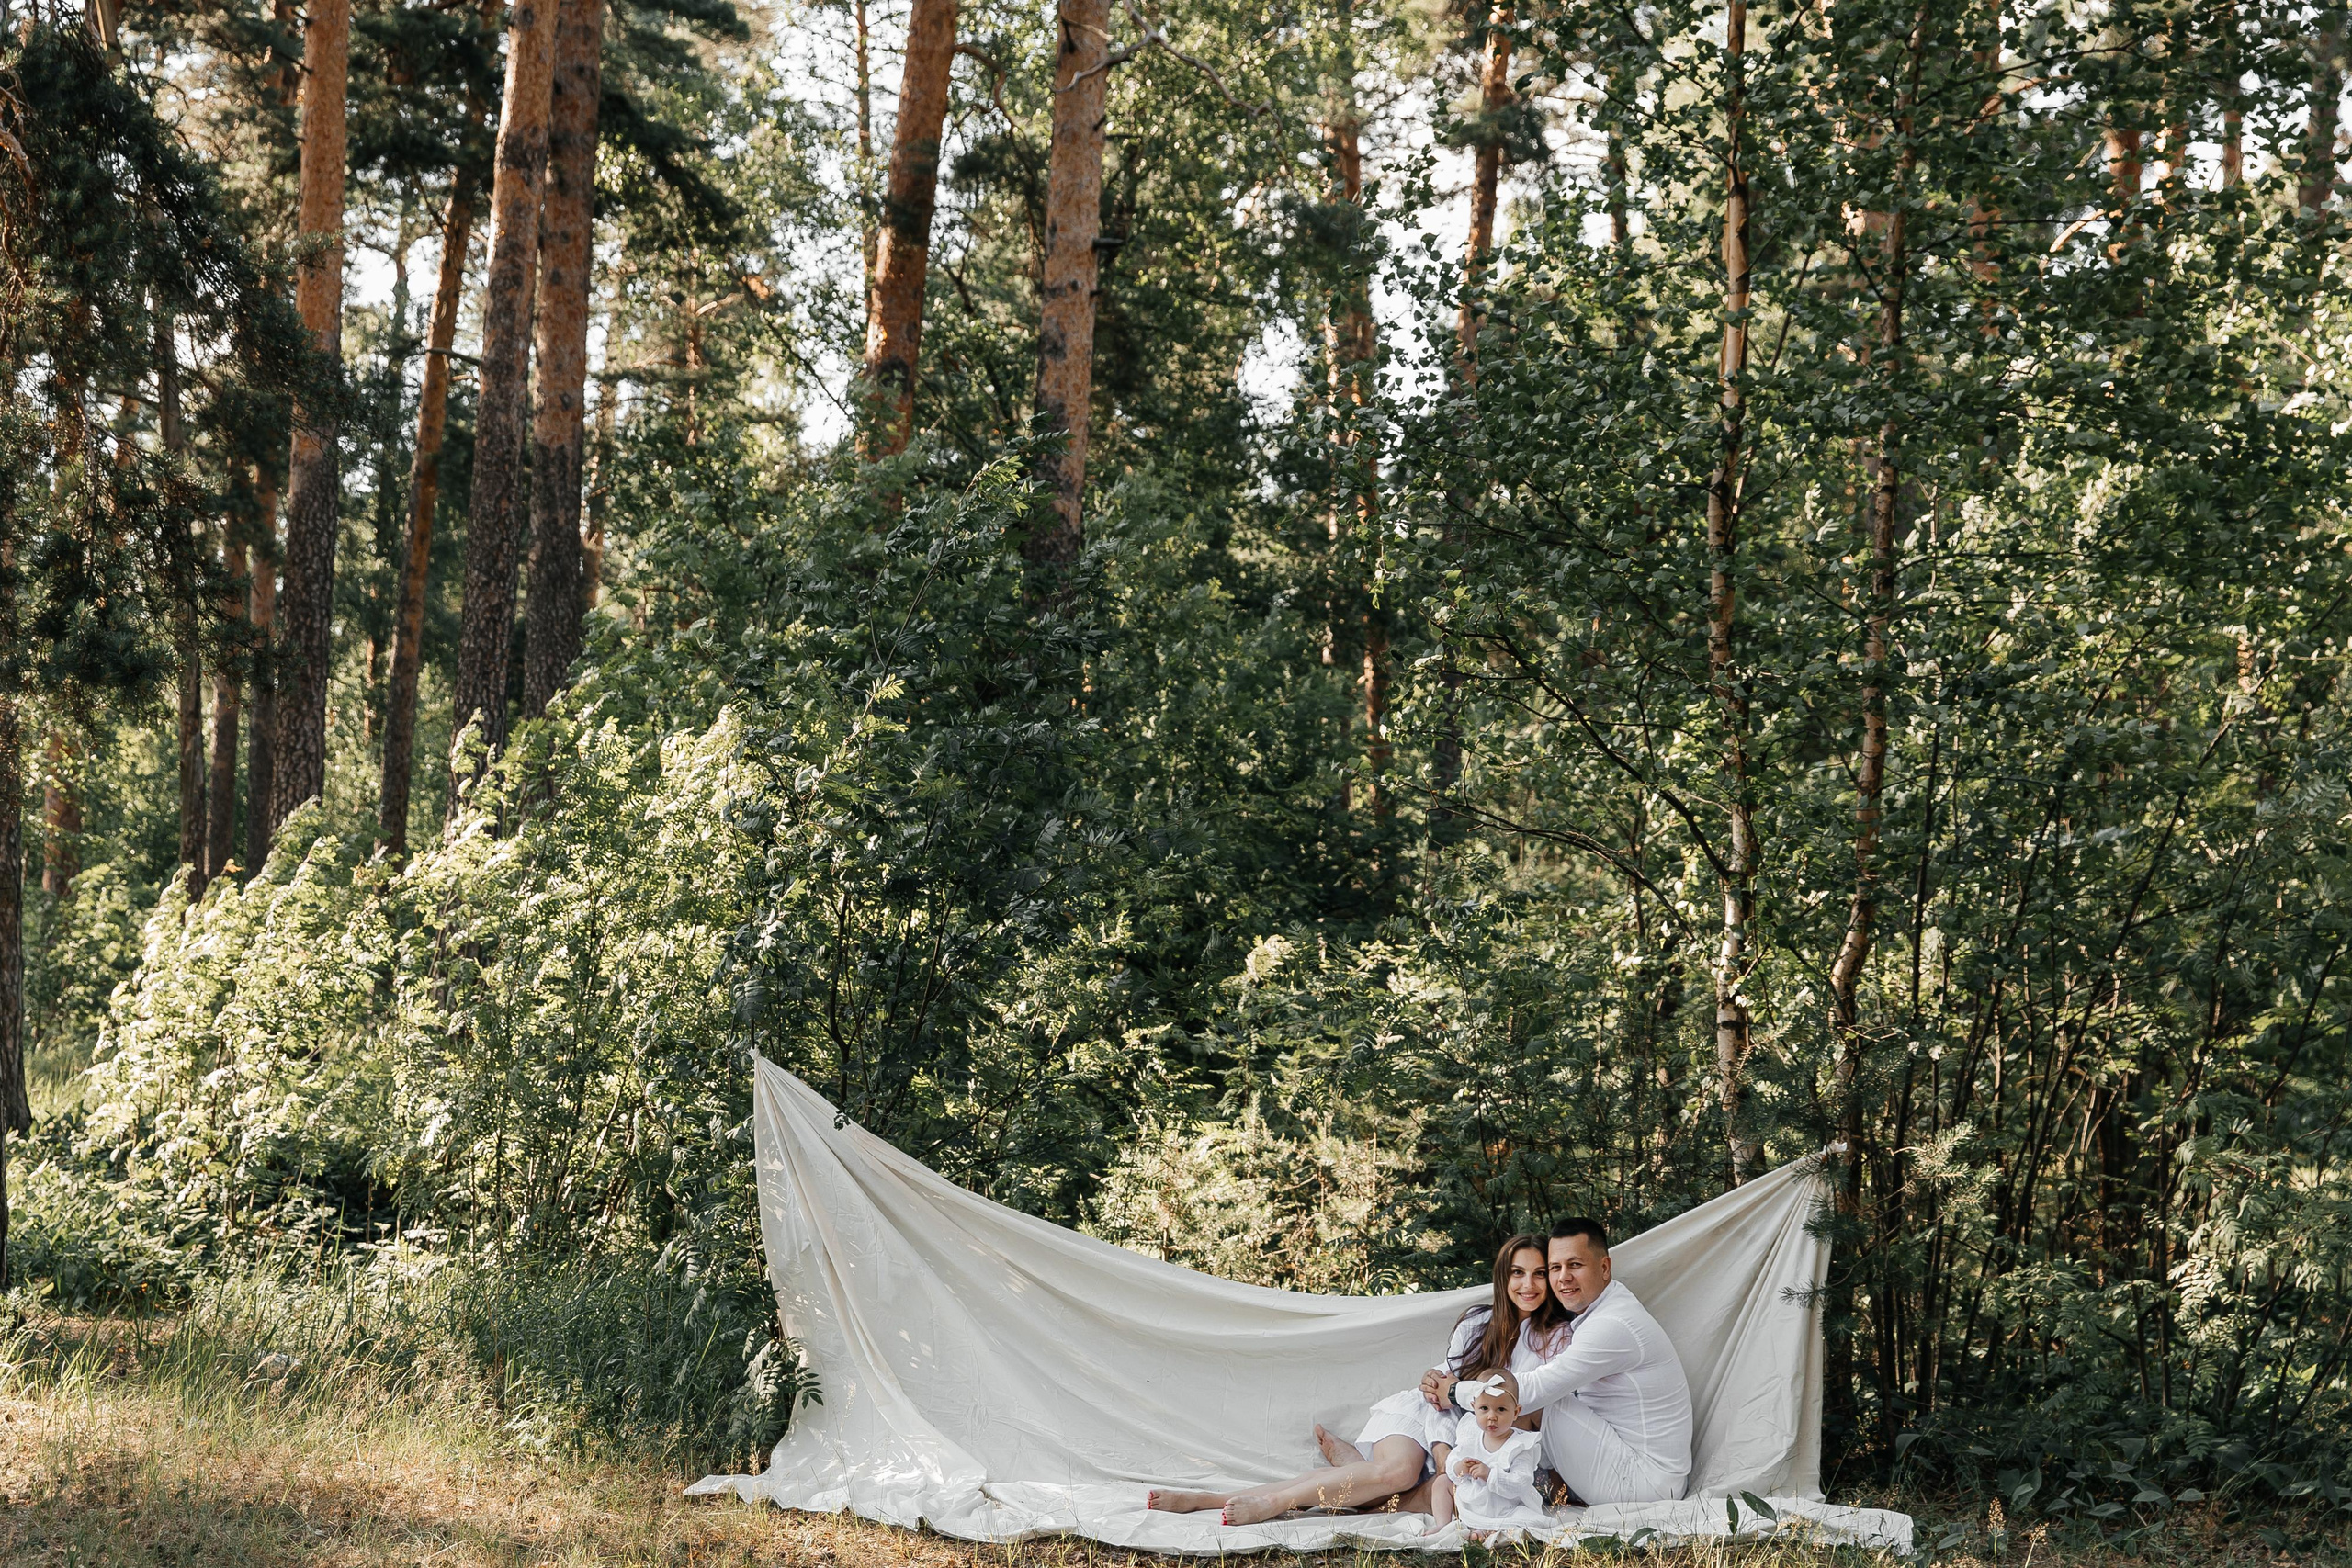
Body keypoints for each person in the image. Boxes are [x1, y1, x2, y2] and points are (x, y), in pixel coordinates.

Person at [1145, 1233, 1566, 1527]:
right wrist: (1440, 1448)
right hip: (1428, 1421)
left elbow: (1531, 1417)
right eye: (1517, 1273)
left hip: (1476, 1439)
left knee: (1421, 1494)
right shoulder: (1478, 1323)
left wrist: (1453, 1458)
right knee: (1400, 1473)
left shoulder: (1556, 1341)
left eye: (1539, 1273)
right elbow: (1440, 1397)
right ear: (1502, 1277)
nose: (1528, 1284)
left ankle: (1355, 1469)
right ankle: (1260, 1502)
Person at [1419, 1216, 1692, 1506]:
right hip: (1622, 1458)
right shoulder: (1599, 1311)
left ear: (1604, 1268)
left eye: (1575, 1265)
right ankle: (1467, 1487)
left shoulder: (1614, 1324)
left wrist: (1454, 1392)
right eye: (1555, 1268)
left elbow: (1540, 1386)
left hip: (1646, 1484)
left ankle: (1470, 1491)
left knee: (1540, 1401)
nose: (1563, 1278)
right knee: (1518, 1407)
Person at [1428, 1370, 1550, 1538]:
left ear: (1515, 1412)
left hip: (1503, 1506)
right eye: (1484, 1408)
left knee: (1523, 1520)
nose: (1491, 1417)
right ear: (1473, 1407)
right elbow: (1452, 1462)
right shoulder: (1471, 1434)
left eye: (1501, 1409)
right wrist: (1459, 1467)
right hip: (1474, 1498)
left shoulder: (1520, 1446)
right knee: (1442, 1482)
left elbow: (1521, 1482)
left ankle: (1489, 1529)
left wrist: (1490, 1475)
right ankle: (1443, 1524)